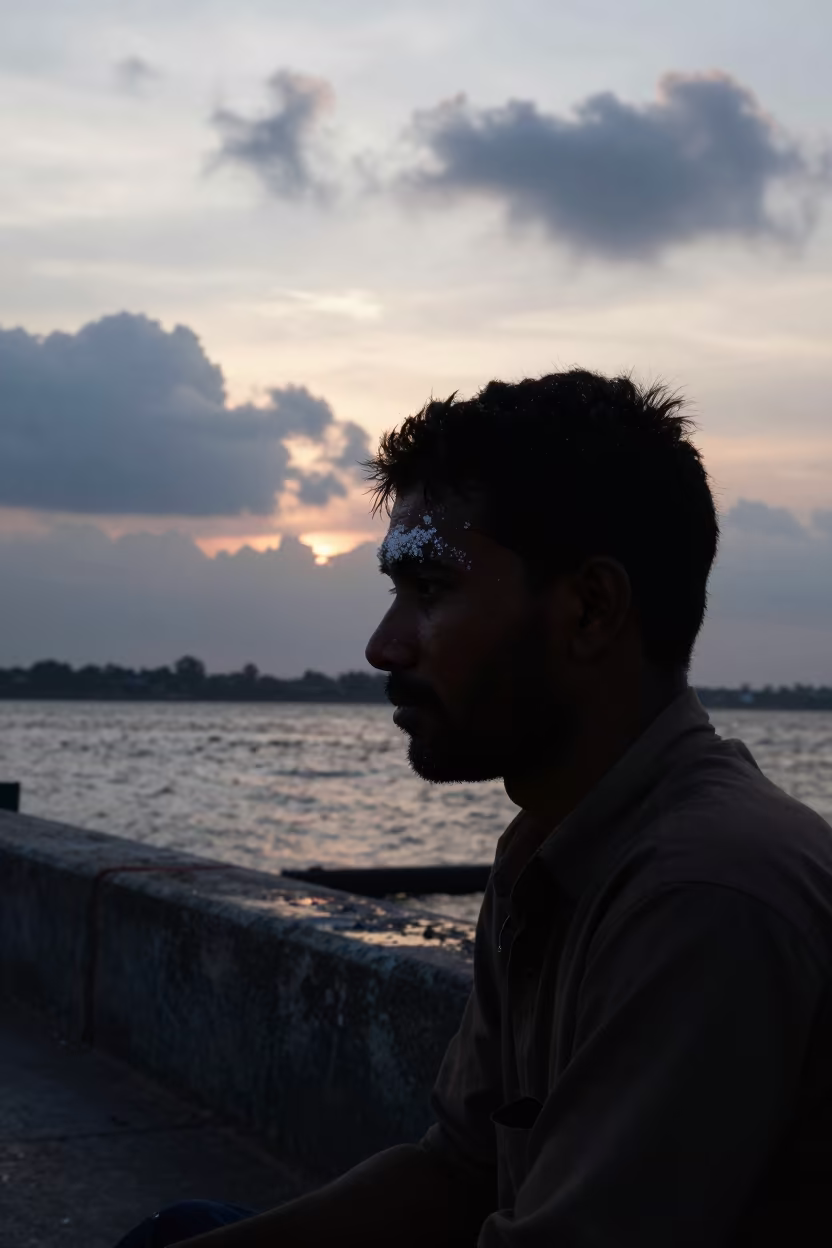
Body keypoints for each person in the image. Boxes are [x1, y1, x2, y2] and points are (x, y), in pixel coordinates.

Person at [115, 369, 832, 1247]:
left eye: (430, 590)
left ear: (590, 609)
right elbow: (458, 1172)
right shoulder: (553, 847)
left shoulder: (708, 893)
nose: (383, 646)